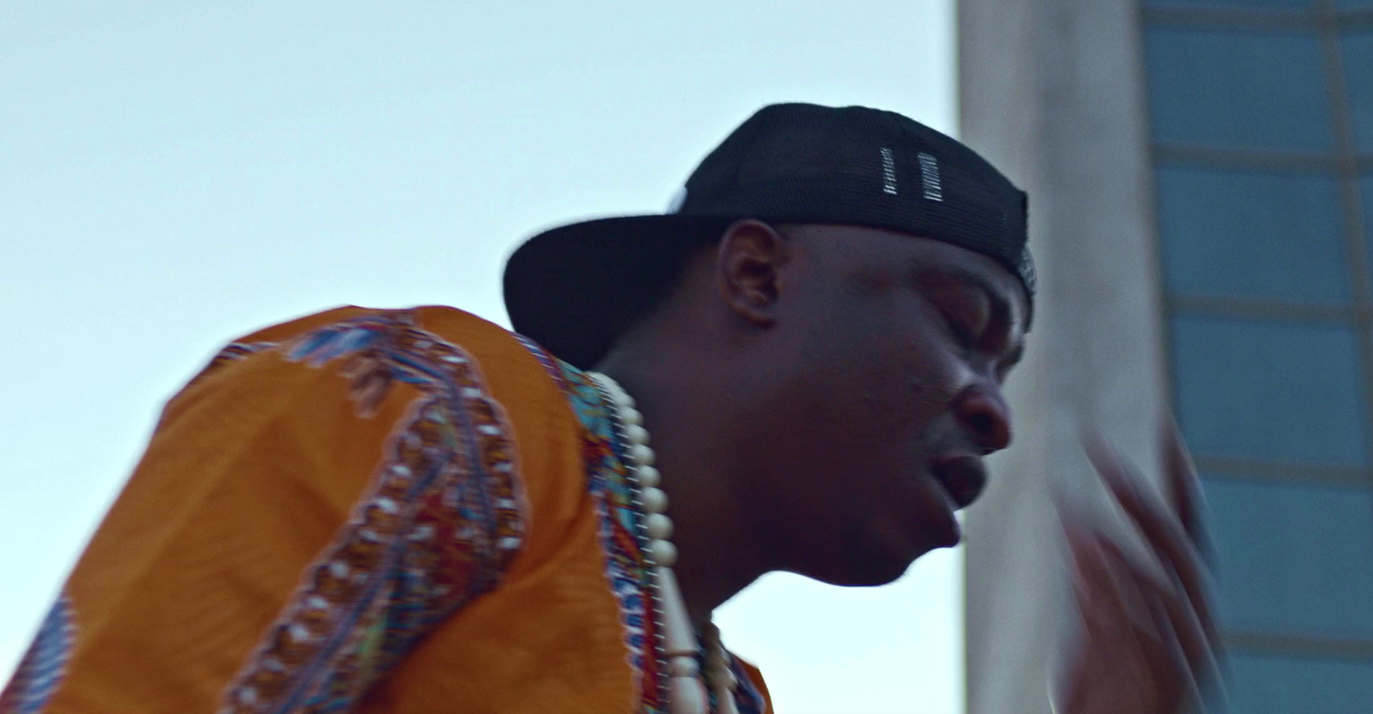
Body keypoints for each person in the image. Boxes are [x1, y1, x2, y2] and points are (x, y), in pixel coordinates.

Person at [1, 104, 1216, 714]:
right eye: (963, 326)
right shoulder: (421, 410)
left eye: (1002, 370)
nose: (990, 409)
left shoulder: (725, 692)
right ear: (755, 275)